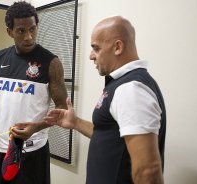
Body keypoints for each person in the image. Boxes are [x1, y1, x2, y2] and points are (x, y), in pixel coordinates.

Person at [44, 16, 166, 184]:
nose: (91, 56)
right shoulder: (121, 84)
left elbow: (148, 170)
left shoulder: (131, 89)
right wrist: (76, 122)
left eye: (96, 48)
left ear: (117, 47)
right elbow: (111, 135)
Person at [0, 1, 68, 183]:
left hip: (32, 150)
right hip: (0, 148)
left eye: (32, 29)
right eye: (21, 31)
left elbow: (63, 108)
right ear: (10, 31)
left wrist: (36, 128)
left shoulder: (51, 63)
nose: (28, 37)